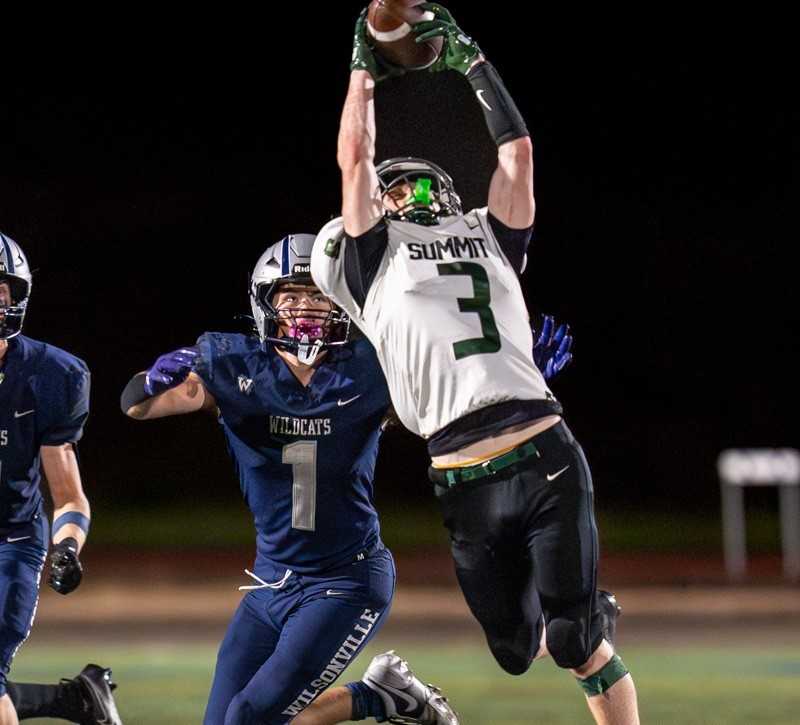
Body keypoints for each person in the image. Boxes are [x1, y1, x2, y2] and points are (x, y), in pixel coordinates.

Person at [310, 4, 641, 723]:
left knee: (576, 640)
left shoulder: (489, 237)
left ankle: (584, 619)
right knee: (517, 650)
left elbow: (517, 153)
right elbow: (355, 159)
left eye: (416, 184)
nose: (405, 195)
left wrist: (470, 60)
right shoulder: (373, 256)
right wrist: (362, 71)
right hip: (460, 476)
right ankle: (582, 609)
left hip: (542, 448)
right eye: (393, 191)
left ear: (448, 192)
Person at [121, 234, 460, 725]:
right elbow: (137, 406)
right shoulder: (234, 364)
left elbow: (447, 402)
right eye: (291, 295)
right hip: (272, 581)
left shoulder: (372, 367)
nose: (305, 307)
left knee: (250, 717)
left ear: (339, 302)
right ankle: (380, 697)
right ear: (266, 304)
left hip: (347, 580)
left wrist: (511, 378)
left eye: (318, 294)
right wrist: (152, 379)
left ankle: (375, 698)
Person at [0, 232, 122, 725]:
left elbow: (67, 493)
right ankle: (76, 701)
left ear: (15, 297)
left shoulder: (50, 375)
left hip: (9, 539)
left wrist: (66, 547)